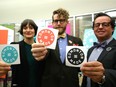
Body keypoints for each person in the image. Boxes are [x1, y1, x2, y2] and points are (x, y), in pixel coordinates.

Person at [31, 8, 83, 87]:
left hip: (71, 82)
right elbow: (39, 63)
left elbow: (80, 64)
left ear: (67, 22)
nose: (58, 23)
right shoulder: (44, 40)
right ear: (52, 23)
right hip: (49, 83)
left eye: (62, 20)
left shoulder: (77, 41)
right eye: (56, 21)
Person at [0, 19, 45, 87]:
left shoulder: (41, 47)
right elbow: (7, 64)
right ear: (22, 31)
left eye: (31, 28)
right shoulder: (15, 46)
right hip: (20, 83)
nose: (28, 30)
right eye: (25, 28)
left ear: (35, 30)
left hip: (39, 83)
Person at [80, 12, 116, 87]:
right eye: (97, 25)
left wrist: (102, 77)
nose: (100, 27)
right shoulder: (90, 50)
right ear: (93, 29)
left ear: (112, 28)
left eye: (105, 24)